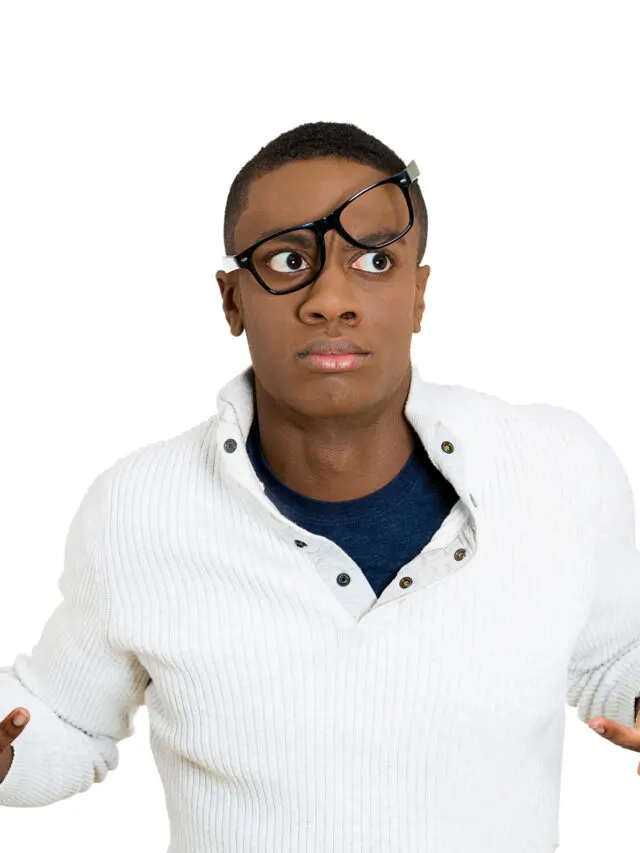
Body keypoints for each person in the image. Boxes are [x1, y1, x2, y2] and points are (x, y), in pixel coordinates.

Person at [2, 120, 640, 852]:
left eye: (374, 260)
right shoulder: (139, 508)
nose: (330, 299)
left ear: (419, 294)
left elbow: (616, 656)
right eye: (287, 259)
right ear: (232, 299)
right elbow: (66, 719)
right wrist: (10, 754)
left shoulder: (555, 467)